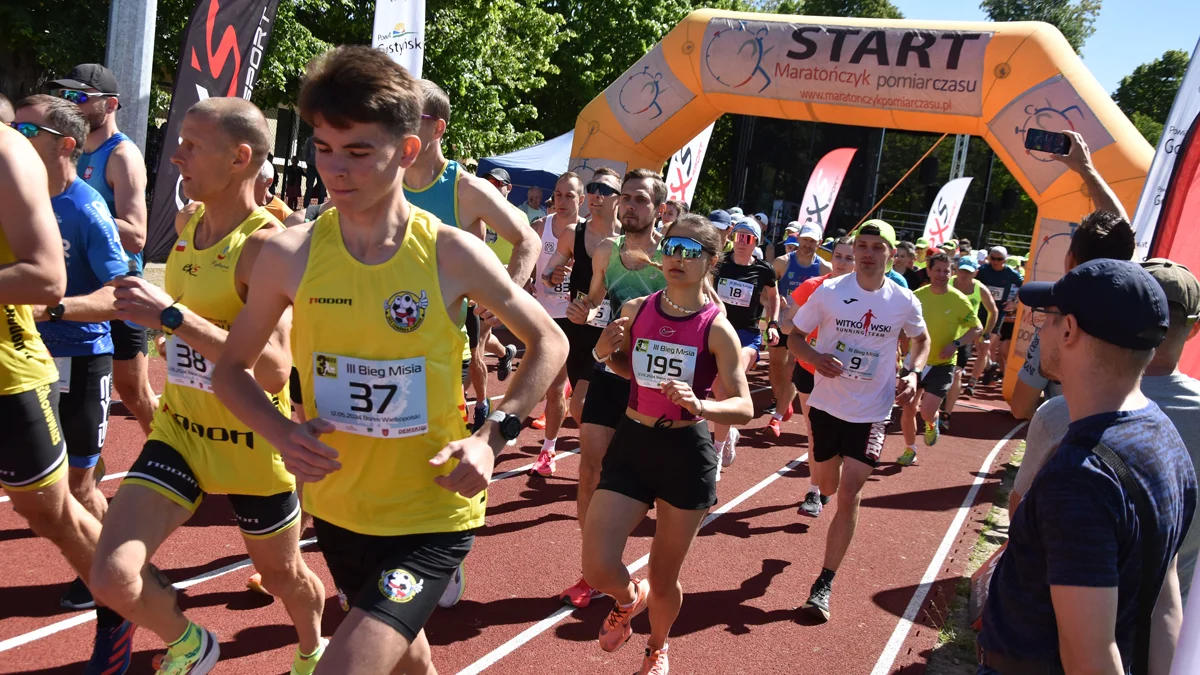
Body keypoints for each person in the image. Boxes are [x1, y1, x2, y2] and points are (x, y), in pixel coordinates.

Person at [210, 46, 568, 675]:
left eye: (357, 151)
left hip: (432, 509)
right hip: (340, 507)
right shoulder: (288, 254)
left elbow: (550, 342)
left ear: (406, 150)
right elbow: (232, 369)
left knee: (348, 665)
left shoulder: (450, 253)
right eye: (324, 148)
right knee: (408, 659)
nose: (334, 169)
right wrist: (282, 433)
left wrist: (493, 436)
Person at [88, 98, 327, 675]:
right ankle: (190, 643)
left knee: (282, 576)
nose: (176, 156)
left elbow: (272, 369)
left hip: (253, 445)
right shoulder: (189, 224)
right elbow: (150, 309)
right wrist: (51, 307)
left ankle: (312, 648)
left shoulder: (266, 246)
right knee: (110, 573)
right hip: (182, 432)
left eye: (192, 146)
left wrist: (173, 319)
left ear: (240, 157)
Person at [979, 259, 1196, 675]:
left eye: (1046, 316)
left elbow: (1091, 658)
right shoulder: (1164, 434)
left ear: (1069, 330)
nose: (1040, 329)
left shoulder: (1079, 475)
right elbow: (1165, 601)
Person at [583, 214, 753, 675]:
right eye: (672, 248)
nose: (677, 258)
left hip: (685, 454)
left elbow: (744, 407)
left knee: (663, 578)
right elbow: (626, 368)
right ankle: (626, 598)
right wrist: (602, 351)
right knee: (597, 567)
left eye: (691, 251)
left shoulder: (717, 328)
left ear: (711, 262)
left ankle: (657, 647)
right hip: (633, 443)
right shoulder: (636, 309)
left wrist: (701, 405)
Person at [2, 107, 136, 675]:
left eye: (29, 129)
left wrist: (53, 307)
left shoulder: (85, 207)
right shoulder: (18, 190)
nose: (18, 136)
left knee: (78, 488)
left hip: (77, 356)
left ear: (66, 145)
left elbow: (122, 292)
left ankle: (114, 593)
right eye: (17, 125)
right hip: (26, 354)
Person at [1012, 259, 1200, 607]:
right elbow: (1169, 569)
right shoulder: (1163, 433)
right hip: (1172, 614)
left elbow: (1021, 516)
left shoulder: (1061, 414)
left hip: (1061, 612)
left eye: (1049, 317)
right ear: (1193, 329)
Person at [788, 219, 929, 620]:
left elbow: (921, 339)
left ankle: (823, 584)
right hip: (827, 405)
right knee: (828, 484)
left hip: (872, 411)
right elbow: (793, 336)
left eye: (876, 247)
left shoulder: (903, 300)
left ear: (891, 254)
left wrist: (914, 371)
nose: (868, 253)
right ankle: (822, 490)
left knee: (849, 493)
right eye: (862, 246)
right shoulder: (830, 291)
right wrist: (815, 358)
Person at [403, 79, 538, 434]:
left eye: (408, 115)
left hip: (441, 350)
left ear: (437, 128)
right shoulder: (384, 180)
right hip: (382, 341)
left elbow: (527, 239)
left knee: (436, 452)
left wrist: (506, 295)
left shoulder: (465, 189)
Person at [559, 169, 667, 609]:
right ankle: (591, 570)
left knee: (643, 481)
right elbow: (595, 299)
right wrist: (582, 310)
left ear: (659, 209)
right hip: (610, 365)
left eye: (640, 200)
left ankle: (629, 563)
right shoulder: (607, 249)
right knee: (590, 467)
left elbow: (700, 306)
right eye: (627, 198)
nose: (630, 206)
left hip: (654, 379)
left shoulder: (672, 255)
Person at [50, 64, 156, 438]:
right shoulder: (67, 150)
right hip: (77, 287)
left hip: (117, 288)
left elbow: (137, 235)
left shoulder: (122, 155)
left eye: (79, 96)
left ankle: (175, 458)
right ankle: (86, 464)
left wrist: (86, 217)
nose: (69, 103)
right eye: (64, 95)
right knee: (61, 391)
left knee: (133, 392)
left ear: (110, 104)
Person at [1009, 130, 1133, 419]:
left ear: (1070, 260)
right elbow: (1123, 233)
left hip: (1071, 436)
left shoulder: (1060, 318)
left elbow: (1020, 407)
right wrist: (1087, 169)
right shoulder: (1142, 304)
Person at [542, 167, 623, 426]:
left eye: (605, 190)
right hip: (578, 328)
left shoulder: (628, 237)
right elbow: (547, 274)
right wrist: (553, 276)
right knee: (583, 410)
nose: (597, 195)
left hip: (615, 332)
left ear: (619, 198)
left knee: (583, 405)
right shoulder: (573, 233)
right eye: (592, 188)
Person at [784, 236, 856, 518]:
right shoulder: (814, 286)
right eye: (838, 256)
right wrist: (802, 329)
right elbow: (787, 322)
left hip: (847, 375)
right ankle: (814, 491)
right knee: (815, 432)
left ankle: (827, 478)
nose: (842, 263)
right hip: (810, 369)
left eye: (849, 258)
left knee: (840, 437)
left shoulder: (868, 294)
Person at [896, 251, 982, 466]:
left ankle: (931, 422)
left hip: (942, 364)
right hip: (915, 361)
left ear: (952, 273)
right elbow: (901, 324)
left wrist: (955, 344)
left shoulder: (959, 299)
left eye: (946, 271)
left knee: (926, 412)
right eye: (937, 270)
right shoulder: (917, 296)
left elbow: (976, 328)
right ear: (929, 271)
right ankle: (910, 450)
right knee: (908, 408)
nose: (942, 275)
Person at [528, 172, 586, 475]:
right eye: (559, 194)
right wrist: (527, 282)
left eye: (569, 195)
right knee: (536, 383)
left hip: (571, 318)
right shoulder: (540, 227)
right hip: (540, 315)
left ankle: (548, 449)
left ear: (581, 199)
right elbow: (526, 265)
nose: (562, 201)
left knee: (555, 388)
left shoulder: (589, 234)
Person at [710, 217, 778, 469]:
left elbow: (774, 296)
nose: (741, 242)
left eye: (748, 238)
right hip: (717, 331)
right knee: (718, 391)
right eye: (738, 236)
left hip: (747, 336)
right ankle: (728, 433)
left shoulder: (764, 270)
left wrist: (773, 323)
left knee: (726, 387)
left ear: (756, 242)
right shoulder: (719, 263)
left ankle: (716, 452)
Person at [767, 221, 831, 437]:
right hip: (782, 322)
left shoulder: (825, 268)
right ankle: (782, 400)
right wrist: (775, 302)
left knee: (792, 368)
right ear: (798, 239)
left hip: (805, 328)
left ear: (819, 243)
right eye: (805, 240)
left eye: (812, 241)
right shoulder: (782, 262)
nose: (807, 245)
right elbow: (766, 292)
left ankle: (777, 414)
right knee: (776, 366)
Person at [943, 257, 997, 412]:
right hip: (944, 332)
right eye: (961, 271)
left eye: (968, 272)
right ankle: (943, 394)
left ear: (975, 273)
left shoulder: (980, 289)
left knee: (957, 372)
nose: (964, 275)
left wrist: (986, 334)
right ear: (956, 270)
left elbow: (993, 311)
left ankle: (947, 412)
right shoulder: (947, 283)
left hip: (966, 335)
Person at [972, 245, 1022, 386]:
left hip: (997, 313)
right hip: (981, 311)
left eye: (999, 259)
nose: (995, 262)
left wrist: (1014, 302)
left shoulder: (1010, 273)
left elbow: (1024, 284)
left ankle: (977, 378)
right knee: (979, 345)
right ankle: (990, 366)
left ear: (1005, 259)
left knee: (985, 345)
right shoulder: (983, 270)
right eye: (992, 258)